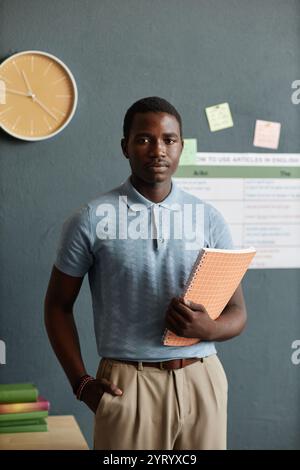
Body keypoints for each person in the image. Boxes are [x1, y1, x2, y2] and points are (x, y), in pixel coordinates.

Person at [44, 96, 247, 450]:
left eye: (169, 140)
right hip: (128, 383)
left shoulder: (208, 218)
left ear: (181, 147)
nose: (158, 150)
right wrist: (81, 383)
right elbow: (57, 307)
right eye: (144, 139)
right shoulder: (91, 218)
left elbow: (238, 313)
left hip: (203, 378)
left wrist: (208, 328)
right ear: (125, 147)